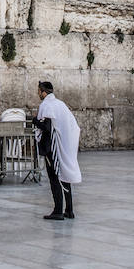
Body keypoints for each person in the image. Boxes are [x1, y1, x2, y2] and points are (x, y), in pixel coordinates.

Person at [31, 80, 81, 220]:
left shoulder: (47, 105)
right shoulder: (61, 104)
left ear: (43, 91)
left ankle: (58, 210)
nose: (38, 93)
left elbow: (46, 127)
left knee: (54, 179)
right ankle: (69, 210)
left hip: (52, 148)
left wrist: (35, 120)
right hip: (62, 146)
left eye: (39, 91)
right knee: (64, 177)